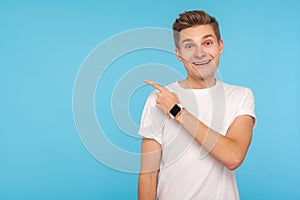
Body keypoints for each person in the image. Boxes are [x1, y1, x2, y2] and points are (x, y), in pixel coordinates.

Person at [138, 10, 256, 200]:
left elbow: (233, 157)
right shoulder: (159, 99)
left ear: (220, 46)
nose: (200, 53)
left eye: (207, 43)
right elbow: (148, 176)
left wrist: (177, 111)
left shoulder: (241, 96)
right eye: (189, 46)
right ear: (178, 54)